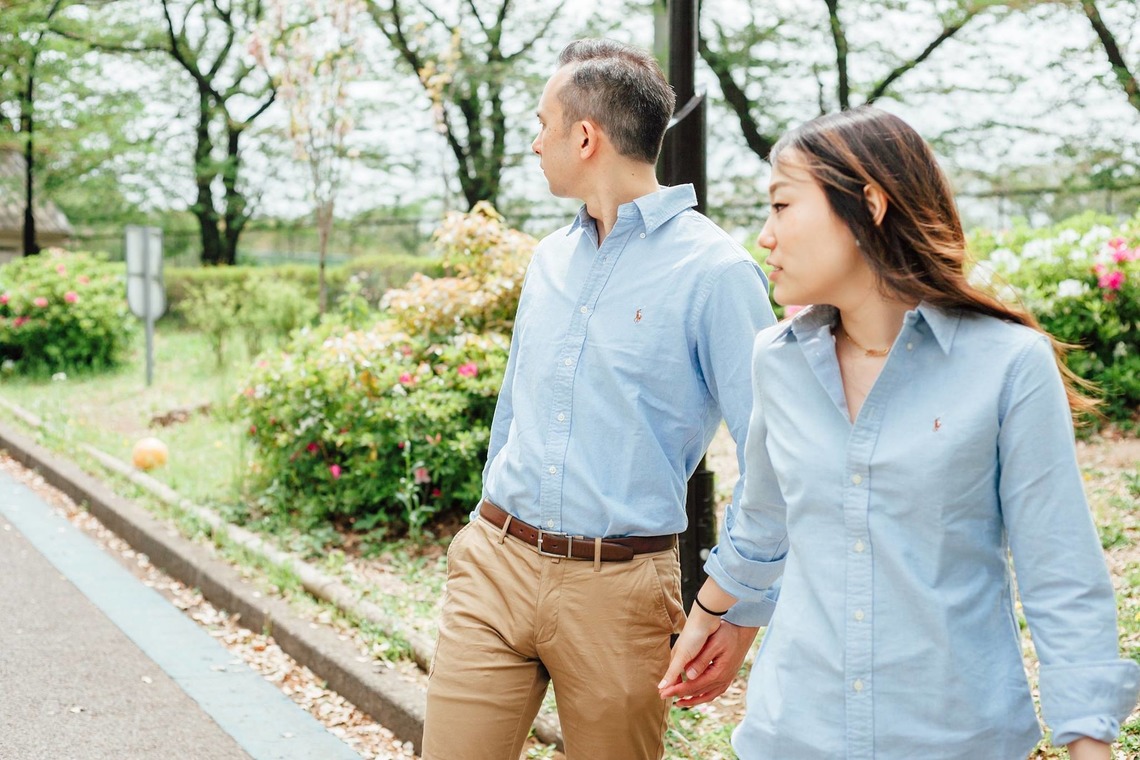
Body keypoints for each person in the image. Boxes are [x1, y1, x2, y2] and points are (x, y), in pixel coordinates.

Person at [658, 106, 1140, 759]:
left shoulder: (1007, 364)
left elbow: (1059, 573)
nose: (765, 236)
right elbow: (764, 521)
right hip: (795, 732)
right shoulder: (777, 359)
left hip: (957, 738)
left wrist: (1088, 741)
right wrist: (712, 616)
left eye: (782, 205)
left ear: (870, 205)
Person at [421, 38, 776, 759]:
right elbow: (514, 410)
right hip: (494, 564)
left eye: (543, 124)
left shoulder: (717, 273)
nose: (535, 142)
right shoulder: (549, 259)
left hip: (619, 592)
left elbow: (772, 456)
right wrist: (481, 526)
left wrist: (738, 603)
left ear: (585, 137)